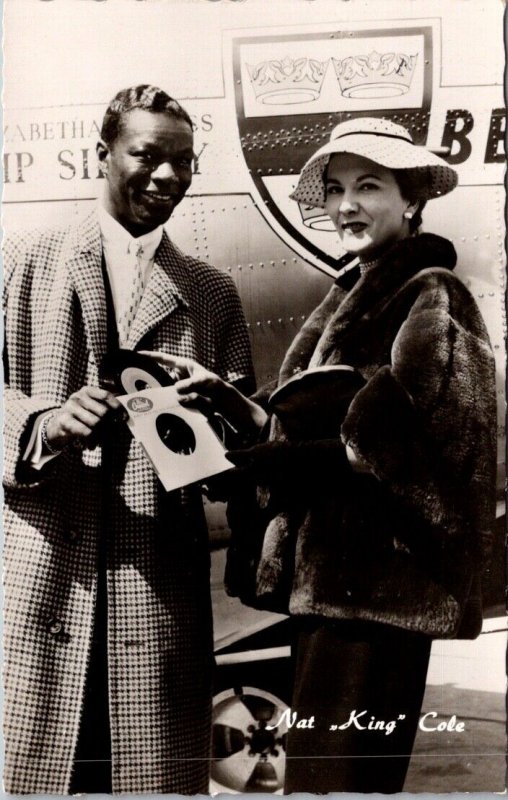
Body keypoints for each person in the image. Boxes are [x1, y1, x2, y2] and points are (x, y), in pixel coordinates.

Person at [145, 117, 497, 793]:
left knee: (339, 786)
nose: (346, 206)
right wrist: (219, 395)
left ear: (412, 199)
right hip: (334, 596)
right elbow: (298, 423)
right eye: (335, 190)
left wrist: (263, 466)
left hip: (379, 598)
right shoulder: (354, 291)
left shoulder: (433, 294)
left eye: (368, 187)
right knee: (321, 783)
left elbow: (402, 452)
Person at [3, 84, 254, 795]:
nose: (168, 176)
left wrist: (216, 424)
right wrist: (42, 426)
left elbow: (239, 459)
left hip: (157, 589)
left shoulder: (211, 292)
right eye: (147, 155)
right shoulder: (19, 262)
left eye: (184, 161)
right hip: (41, 583)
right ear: (102, 155)